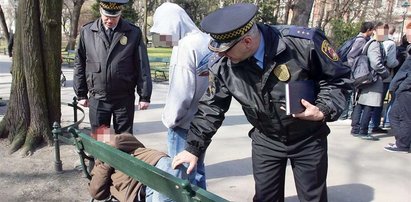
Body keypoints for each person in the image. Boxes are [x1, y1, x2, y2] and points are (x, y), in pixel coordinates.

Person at [172, 3, 351, 201]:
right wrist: (193, 148)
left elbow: (338, 79)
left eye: (226, 50)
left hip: (308, 138)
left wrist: (323, 109)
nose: (220, 55)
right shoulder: (223, 65)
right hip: (266, 139)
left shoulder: (302, 43)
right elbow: (211, 107)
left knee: (313, 198)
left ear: (247, 42)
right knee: (265, 198)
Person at [150, 2, 212, 189]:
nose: (163, 37)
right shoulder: (205, 40)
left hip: (183, 123)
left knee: (180, 177)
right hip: (203, 122)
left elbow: (182, 91)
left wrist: (171, 120)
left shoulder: (184, 47)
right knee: (198, 170)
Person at [73, 0, 152, 134]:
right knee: (102, 139)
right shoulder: (87, 32)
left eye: (114, 17)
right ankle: (102, 156)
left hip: (124, 98)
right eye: (107, 17)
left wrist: (144, 96)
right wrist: (81, 93)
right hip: (98, 98)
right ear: (100, 11)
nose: (110, 21)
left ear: (120, 14)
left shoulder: (133, 32)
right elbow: (79, 64)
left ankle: (120, 154)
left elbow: (142, 65)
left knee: (124, 140)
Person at [89, 129, 186, 201]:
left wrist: (105, 141)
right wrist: (105, 160)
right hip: (144, 187)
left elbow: (116, 141)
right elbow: (96, 193)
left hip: (159, 166)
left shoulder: (124, 143)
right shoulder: (100, 165)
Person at [350, 22, 389, 140]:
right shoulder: (375, 44)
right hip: (372, 78)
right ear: (376, 31)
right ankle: (362, 130)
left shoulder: (369, 43)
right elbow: (376, 63)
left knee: (361, 103)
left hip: (366, 76)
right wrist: (385, 73)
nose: (385, 35)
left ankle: (356, 128)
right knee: (369, 105)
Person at [384, 22, 411, 153]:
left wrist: (402, 87)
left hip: (406, 90)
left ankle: (403, 143)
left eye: (408, 32)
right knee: (396, 115)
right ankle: (402, 141)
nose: (406, 35)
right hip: (403, 88)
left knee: (400, 116)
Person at [339, 22, 375, 120]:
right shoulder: (361, 41)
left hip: (351, 68)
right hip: (352, 69)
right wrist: (354, 68)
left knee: (350, 91)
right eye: (372, 30)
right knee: (350, 91)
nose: (373, 32)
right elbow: (351, 55)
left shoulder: (360, 39)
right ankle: (346, 113)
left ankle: (346, 113)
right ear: (368, 30)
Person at [369, 24, 399, 133]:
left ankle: (368, 124)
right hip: (384, 76)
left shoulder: (373, 41)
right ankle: (374, 125)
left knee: (369, 100)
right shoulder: (391, 44)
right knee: (378, 102)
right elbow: (391, 63)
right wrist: (398, 62)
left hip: (371, 75)